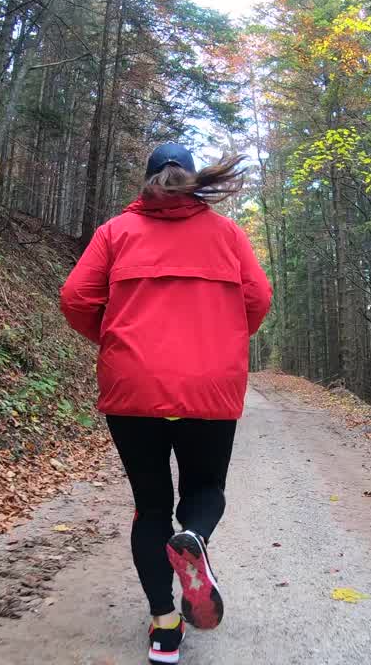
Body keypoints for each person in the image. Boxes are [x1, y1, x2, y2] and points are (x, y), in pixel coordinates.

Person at [59, 143, 272, 664]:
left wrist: (116, 344)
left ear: (148, 180)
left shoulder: (115, 232)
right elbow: (259, 298)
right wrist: (219, 344)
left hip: (133, 386)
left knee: (150, 507)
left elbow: (74, 298)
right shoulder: (228, 234)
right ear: (193, 181)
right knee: (205, 489)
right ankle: (194, 537)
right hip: (209, 388)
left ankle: (164, 629)